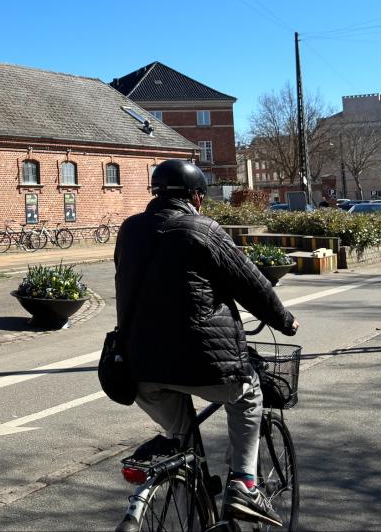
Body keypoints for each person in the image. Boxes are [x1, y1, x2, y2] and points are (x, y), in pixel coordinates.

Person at [115, 159, 299, 528]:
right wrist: (285, 321)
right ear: (197, 197)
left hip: (138, 369)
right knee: (248, 393)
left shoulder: (130, 229)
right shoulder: (204, 229)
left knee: (182, 446)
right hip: (204, 363)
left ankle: (192, 509)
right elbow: (251, 284)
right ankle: (245, 484)